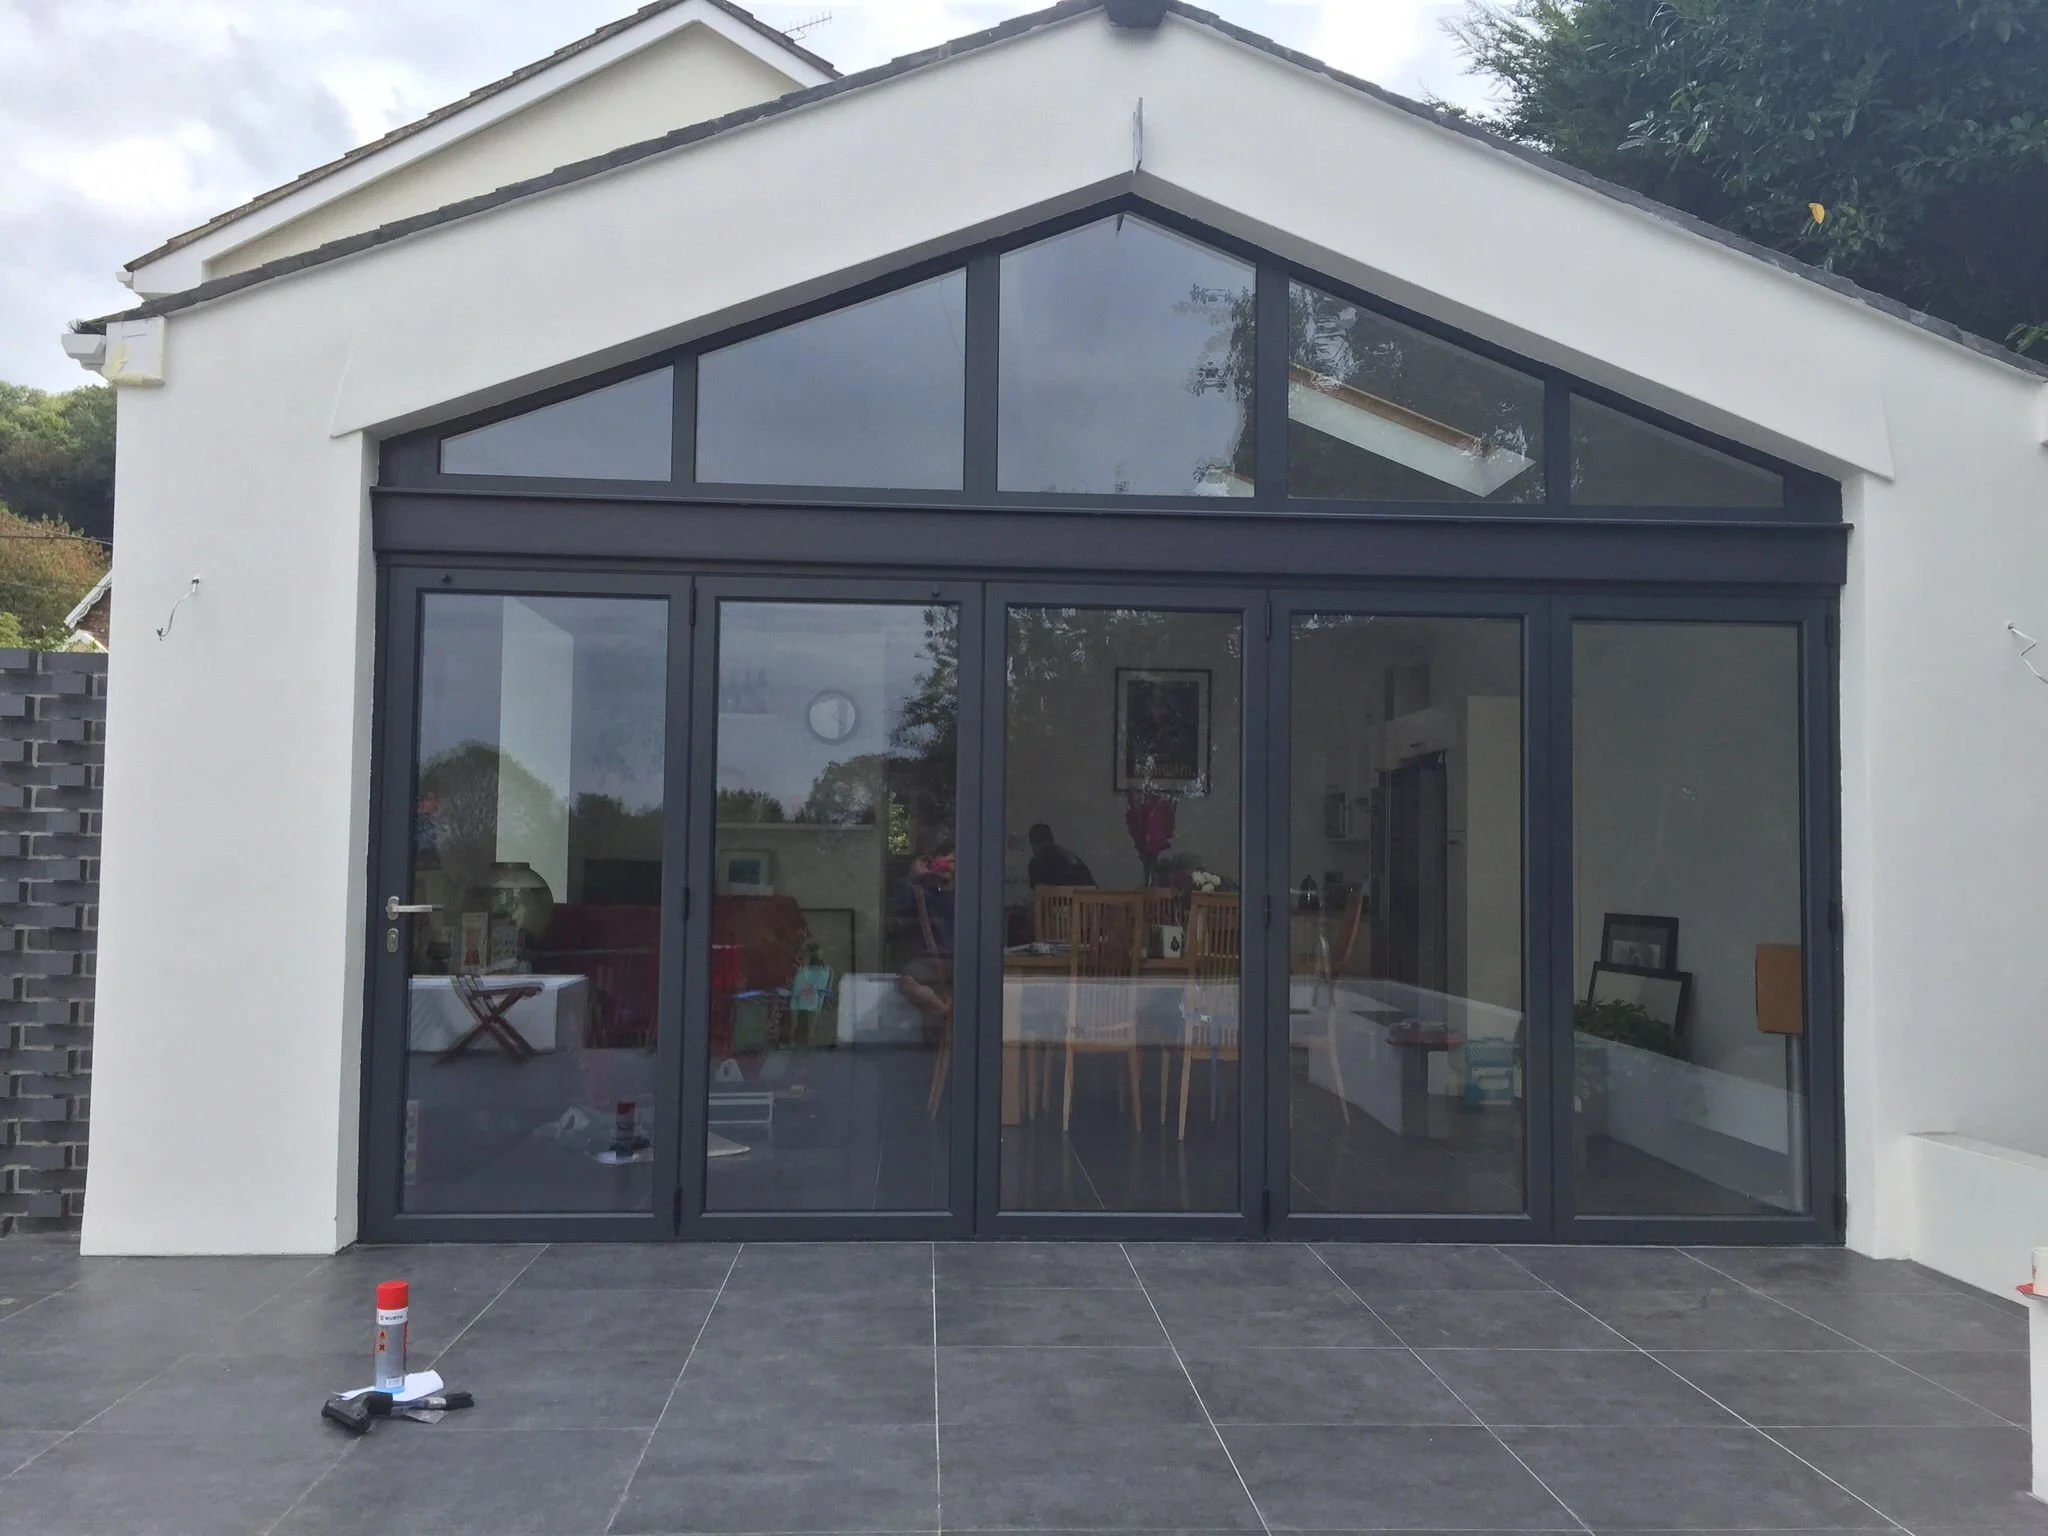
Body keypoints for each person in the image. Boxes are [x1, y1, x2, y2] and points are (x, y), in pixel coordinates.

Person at [1026, 823, 1095, 889]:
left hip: (1063, 899)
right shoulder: (1070, 856)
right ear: (1052, 839)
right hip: (1089, 899)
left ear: (1034, 843)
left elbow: (1040, 892)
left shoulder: (1037, 862)